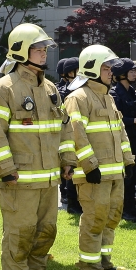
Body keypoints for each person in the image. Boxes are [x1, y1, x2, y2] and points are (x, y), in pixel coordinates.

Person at [0, 23, 70, 270]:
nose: (44, 54)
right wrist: (6, 170)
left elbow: (64, 128)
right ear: (20, 51)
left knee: (46, 231)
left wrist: (68, 160)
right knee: (20, 232)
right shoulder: (2, 88)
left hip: (48, 178)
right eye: (38, 49)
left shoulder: (51, 88)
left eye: (45, 49)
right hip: (19, 178)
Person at [61, 45, 134, 270]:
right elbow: (76, 135)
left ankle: (105, 262)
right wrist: (90, 166)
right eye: (106, 67)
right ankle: (89, 266)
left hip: (114, 173)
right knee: (95, 219)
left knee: (111, 218)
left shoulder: (108, 97)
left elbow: (120, 131)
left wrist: (128, 161)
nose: (111, 72)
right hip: (94, 174)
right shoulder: (78, 98)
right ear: (92, 68)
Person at [110, 59, 136, 222]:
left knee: (133, 176)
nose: (135, 73)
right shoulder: (114, 94)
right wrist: (133, 120)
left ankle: (131, 206)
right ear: (121, 75)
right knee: (126, 176)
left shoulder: (133, 92)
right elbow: (115, 117)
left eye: (135, 71)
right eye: (131, 71)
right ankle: (124, 209)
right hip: (124, 139)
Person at [55, 57, 81, 215]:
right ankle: (69, 198)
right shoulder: (63, 92)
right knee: (69, 170)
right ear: (69, 73)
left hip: (77, 133)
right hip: (66, 135)